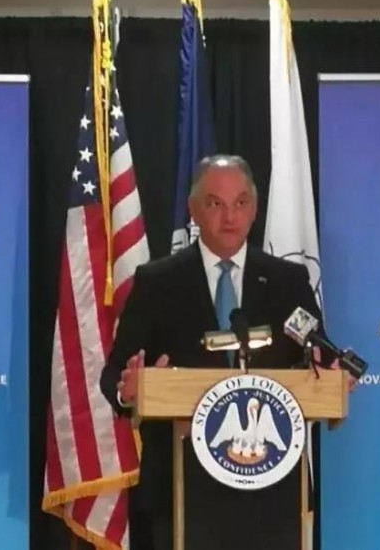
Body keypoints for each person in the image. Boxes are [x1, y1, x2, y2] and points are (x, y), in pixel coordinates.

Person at [100, 155, 336, 550]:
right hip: (182, 489)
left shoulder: (287, 282)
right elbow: (113, 376)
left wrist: (330, 372)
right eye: (215, 203)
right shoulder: (157, 282)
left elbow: (319, 353)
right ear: (193, 209)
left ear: (254, 209)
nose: (230, 217)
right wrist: (130, 390)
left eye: (241, 203)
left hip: (273, 490)